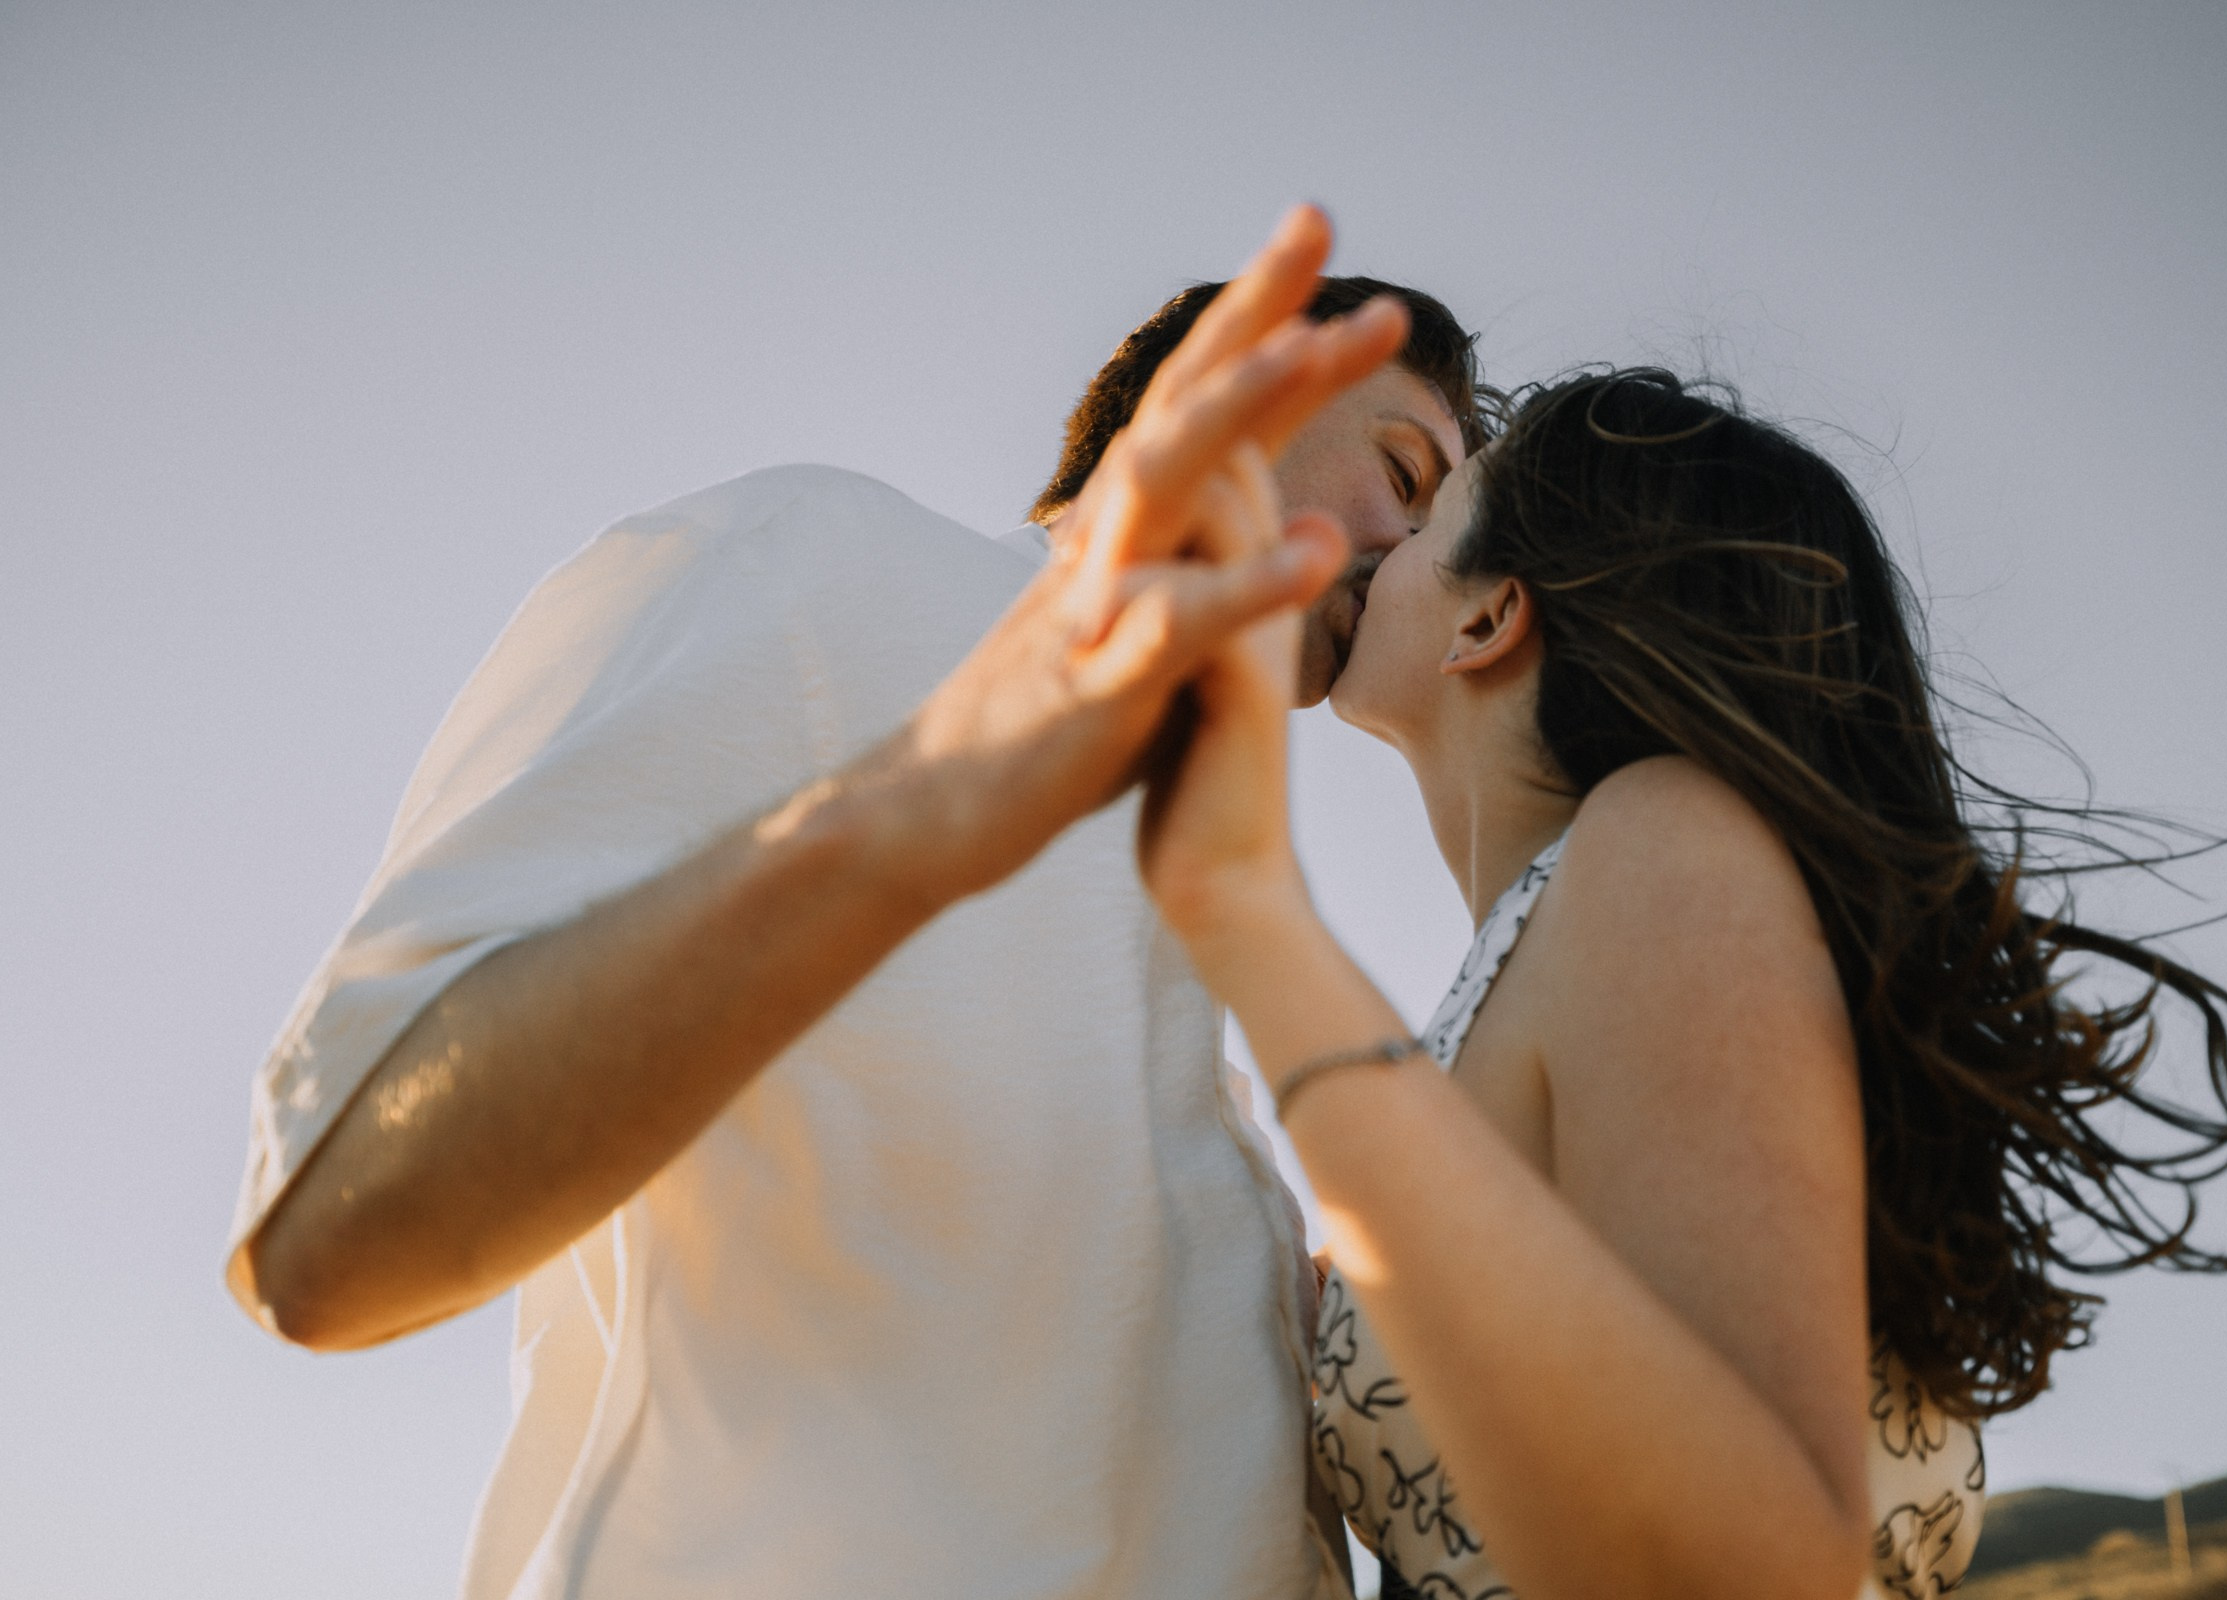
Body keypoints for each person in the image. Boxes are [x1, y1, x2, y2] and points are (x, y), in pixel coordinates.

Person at [224, 208, 1484, 1599]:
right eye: (1406, 470)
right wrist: (914, 815)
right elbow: (329, 1236)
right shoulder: (822, 560)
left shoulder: (1227, 1035)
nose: (1422, 548)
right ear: (1245, 373)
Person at [1135, 368, 2227, 1600]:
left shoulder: (1667, 842)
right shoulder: (1572, 947)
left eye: (1434, 512)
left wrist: (1260, 927)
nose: (1381, 547)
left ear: (1489, 619)